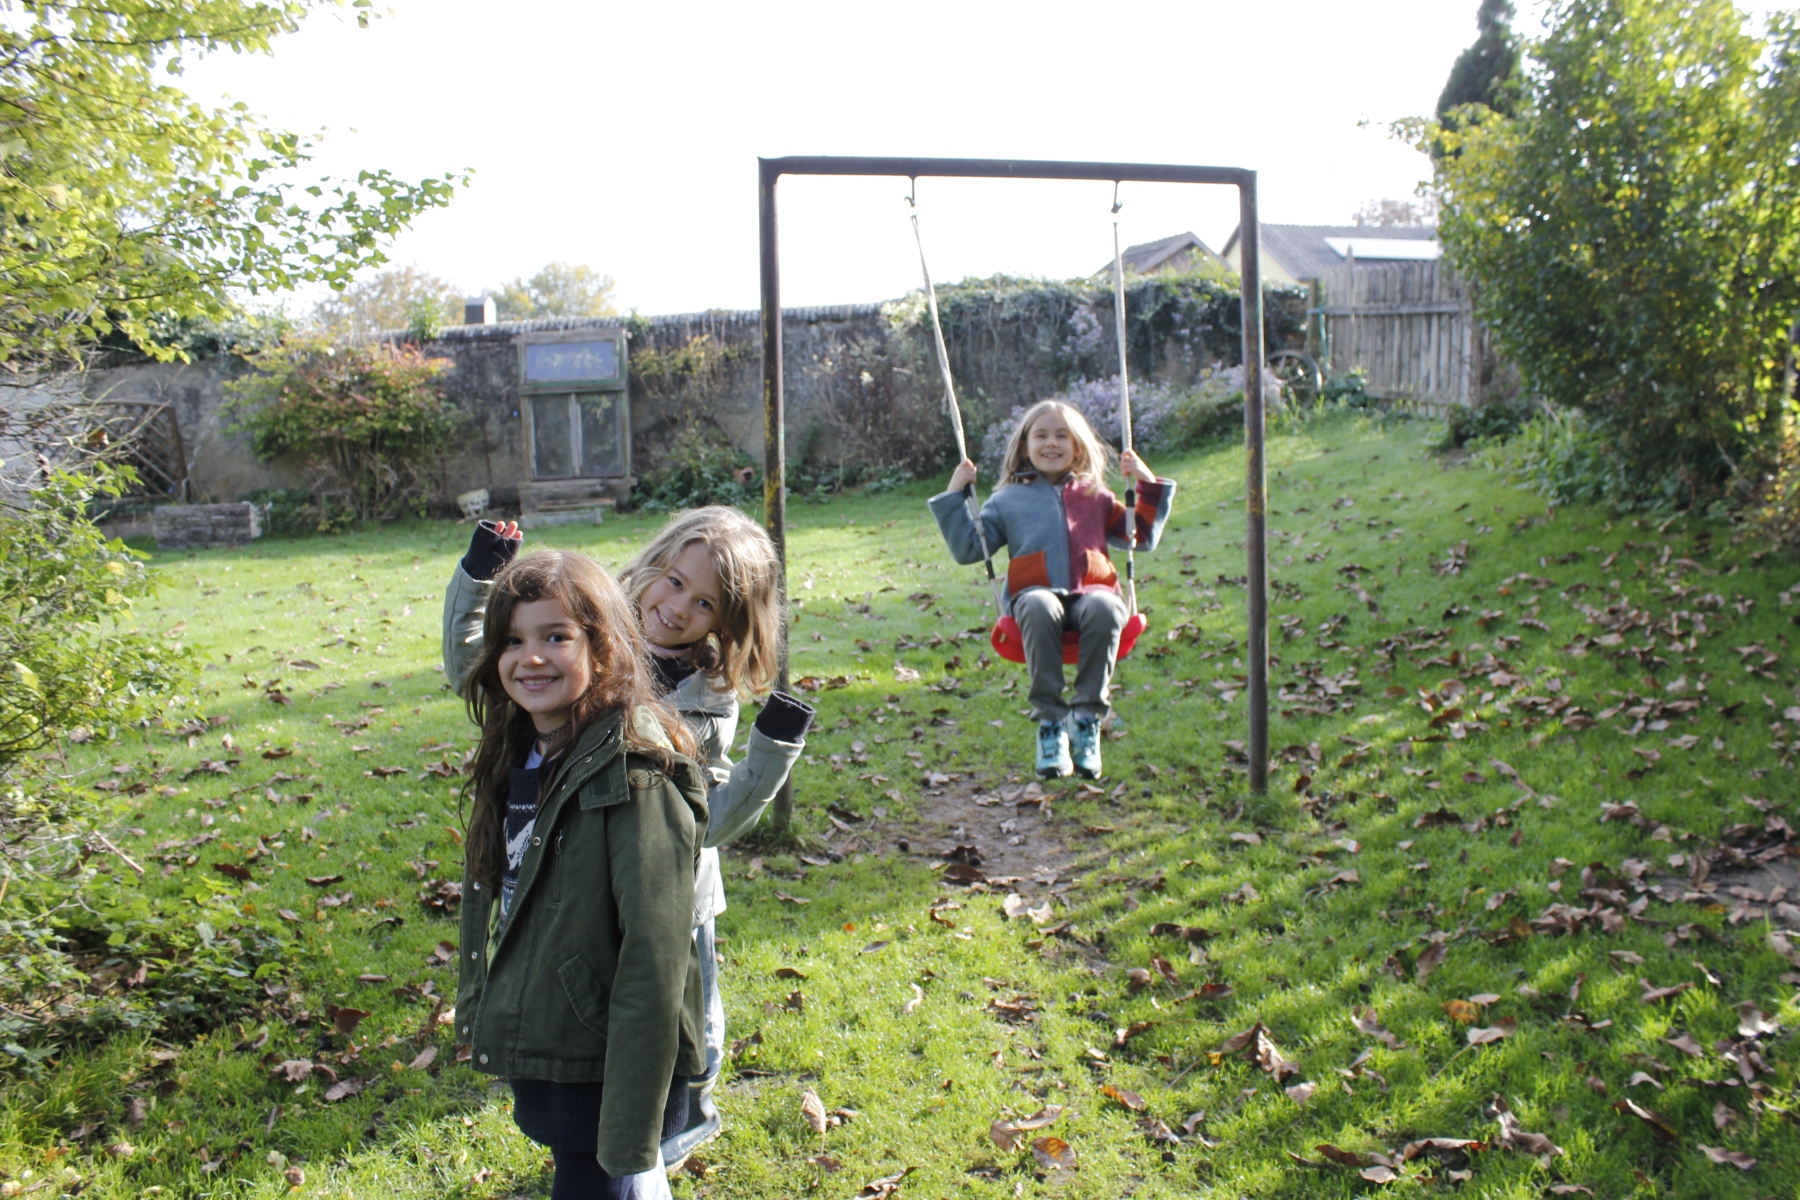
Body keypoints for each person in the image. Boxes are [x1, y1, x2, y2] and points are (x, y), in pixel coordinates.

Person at [444, 511, 811, 1171]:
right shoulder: (581, 630)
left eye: (706, 603)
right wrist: (480, 574)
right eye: (674, 581)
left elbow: (704, 819)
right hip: (573, 875)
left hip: (668, 893)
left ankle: (683, 1116)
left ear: (729, 622)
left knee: (684, 1013)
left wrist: (770, 755)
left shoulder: (708, 702)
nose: (678, 607)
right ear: (652, 564)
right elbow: (479, 661)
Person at [449, 547, 705, 1200]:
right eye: (513, 640)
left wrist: (631, 1115)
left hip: (608, 1059)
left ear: (604, 646)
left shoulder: (636, 779)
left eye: (555, 637)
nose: (530, 657)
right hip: (559, 1038)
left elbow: (655, 958)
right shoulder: (524, 749)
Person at [930, 399, 1174, 780]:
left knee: (1108, 608)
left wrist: (1147, 483)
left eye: (1062, 435)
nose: (1051, 443)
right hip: (1035, 596)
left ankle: (1087, 719)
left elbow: (1138, 537)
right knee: (1039, 604)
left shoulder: (1096, 495)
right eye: (1041, 435)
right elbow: (969, 548)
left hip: (1091, 593)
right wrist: (954, 493)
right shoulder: (1007, 500)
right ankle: (1051, 725)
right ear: (1025, 445)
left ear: (1077, 446)